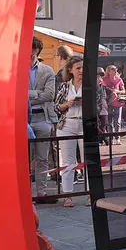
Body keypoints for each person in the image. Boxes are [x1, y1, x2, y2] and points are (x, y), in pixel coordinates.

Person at [54, 56, 86, 208]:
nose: (81, 71)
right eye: (78, 68)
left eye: (83, 67)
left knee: (88, 161)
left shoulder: (92, 85)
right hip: (67, 124)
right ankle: (68, 196)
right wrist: (67, 104)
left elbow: (100, 106)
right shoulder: (64, 86)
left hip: (85, 123)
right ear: (70, 70)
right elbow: (56, 107)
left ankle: (90, 195)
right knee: (68, 161)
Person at [28, 37, 57, 201]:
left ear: (36, 50)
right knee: (24, 158)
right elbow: (14, 95)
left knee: (42, 158)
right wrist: (37, 94)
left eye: (32, 48)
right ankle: (26, 193)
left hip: (43, 117)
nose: (29, 51)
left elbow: (49, 95)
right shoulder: (16, 69)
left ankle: (41, 193)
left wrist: (28, 96)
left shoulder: (47, 70)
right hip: (23, 119)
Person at [102, 65, 125, 144]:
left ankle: (117, 138)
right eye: (113, 69)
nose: (115, 71)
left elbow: (123, 91)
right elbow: (103, 89)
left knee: (117, 122)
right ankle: (111, 138)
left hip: (118, 103)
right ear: (109, 71)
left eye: (116, 70)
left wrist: (117, 91)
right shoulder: (104, 79)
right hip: (109, 103)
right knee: (110, 122)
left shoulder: (119, 79)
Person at [96, 68, 109, 146]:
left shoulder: (102, 87)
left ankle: (104, 139)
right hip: (99, 109)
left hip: (101, 109)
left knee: (101, 127)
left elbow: (114, 93)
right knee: (99, 127)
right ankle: (104, 139)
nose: (100, 78)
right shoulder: (101, 86)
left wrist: (107, 103)